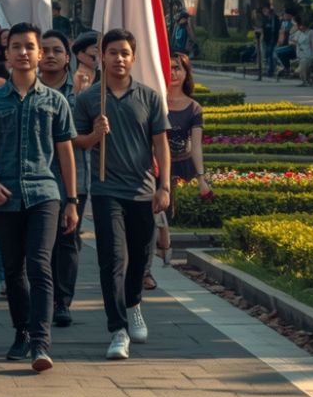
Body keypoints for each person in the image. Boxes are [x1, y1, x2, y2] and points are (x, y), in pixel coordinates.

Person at [0, 23, 79, 372]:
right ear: (7, 53)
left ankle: (40, 341)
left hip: (45, 192)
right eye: (16, 46)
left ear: (39, 53)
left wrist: (72, 201)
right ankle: (21, 331)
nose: (23, 52)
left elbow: (65, 153)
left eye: (29, 47)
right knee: (14, 268)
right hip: (4, 194)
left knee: (39, 264)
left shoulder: (55, 100)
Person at [73, 29, 170, 362]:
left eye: (124, 53)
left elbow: (161, 144)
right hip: (105, 190)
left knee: (141, 259)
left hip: (143, 190)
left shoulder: (149, 97)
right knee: (112, 259)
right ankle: (117, 328)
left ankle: (134, 304)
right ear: (102, 56)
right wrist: (94, 135)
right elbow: (77, 142)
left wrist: (164, 186)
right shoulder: (89, 99)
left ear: (133, 58)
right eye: (112, 52)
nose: (118, 59)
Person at [40, 30, 86, 329]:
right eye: (45, 50)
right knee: (42, 244)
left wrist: (82, 99)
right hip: (37, 175)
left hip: (73, 176)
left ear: (67, 57)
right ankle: (40, 297)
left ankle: (62, 301)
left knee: (67, 240)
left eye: (57, 50)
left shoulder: (82, 89)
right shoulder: (27, 88)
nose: (51, 55)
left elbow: (85, 135)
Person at [154, 53, 211, 274]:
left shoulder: (194, 107)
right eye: (169, 68)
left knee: (166, 212)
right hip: (156, 167)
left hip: (181, 167)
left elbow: (196, 146)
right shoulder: (156, 101)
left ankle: (164, 247)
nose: (174, 73)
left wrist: (201, 179)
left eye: (178, 68)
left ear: (186, 72)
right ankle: (161, 246)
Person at [290, 15, 313, 85]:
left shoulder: (310, 32)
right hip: (300, 53)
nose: (301, 27)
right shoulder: (298, 33)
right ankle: (306, 80)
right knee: (304, 69)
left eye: (302, 26)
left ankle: (305, 81)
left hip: (308, 53)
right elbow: (292, 39)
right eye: (300, 26)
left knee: (304, 67)